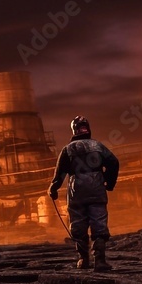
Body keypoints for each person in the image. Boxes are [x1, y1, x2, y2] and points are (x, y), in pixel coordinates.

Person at [48, 116, 120, 271]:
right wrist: (109, 182)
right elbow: (114, 162)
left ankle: (83, 259)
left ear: (74, 130)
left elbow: (60, 173)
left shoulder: (68, 149)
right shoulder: (98, 146)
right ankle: (100, 261)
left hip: (77, 191)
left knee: (78, 224)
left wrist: (53, 189)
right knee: (99, 223)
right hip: (96, 188)